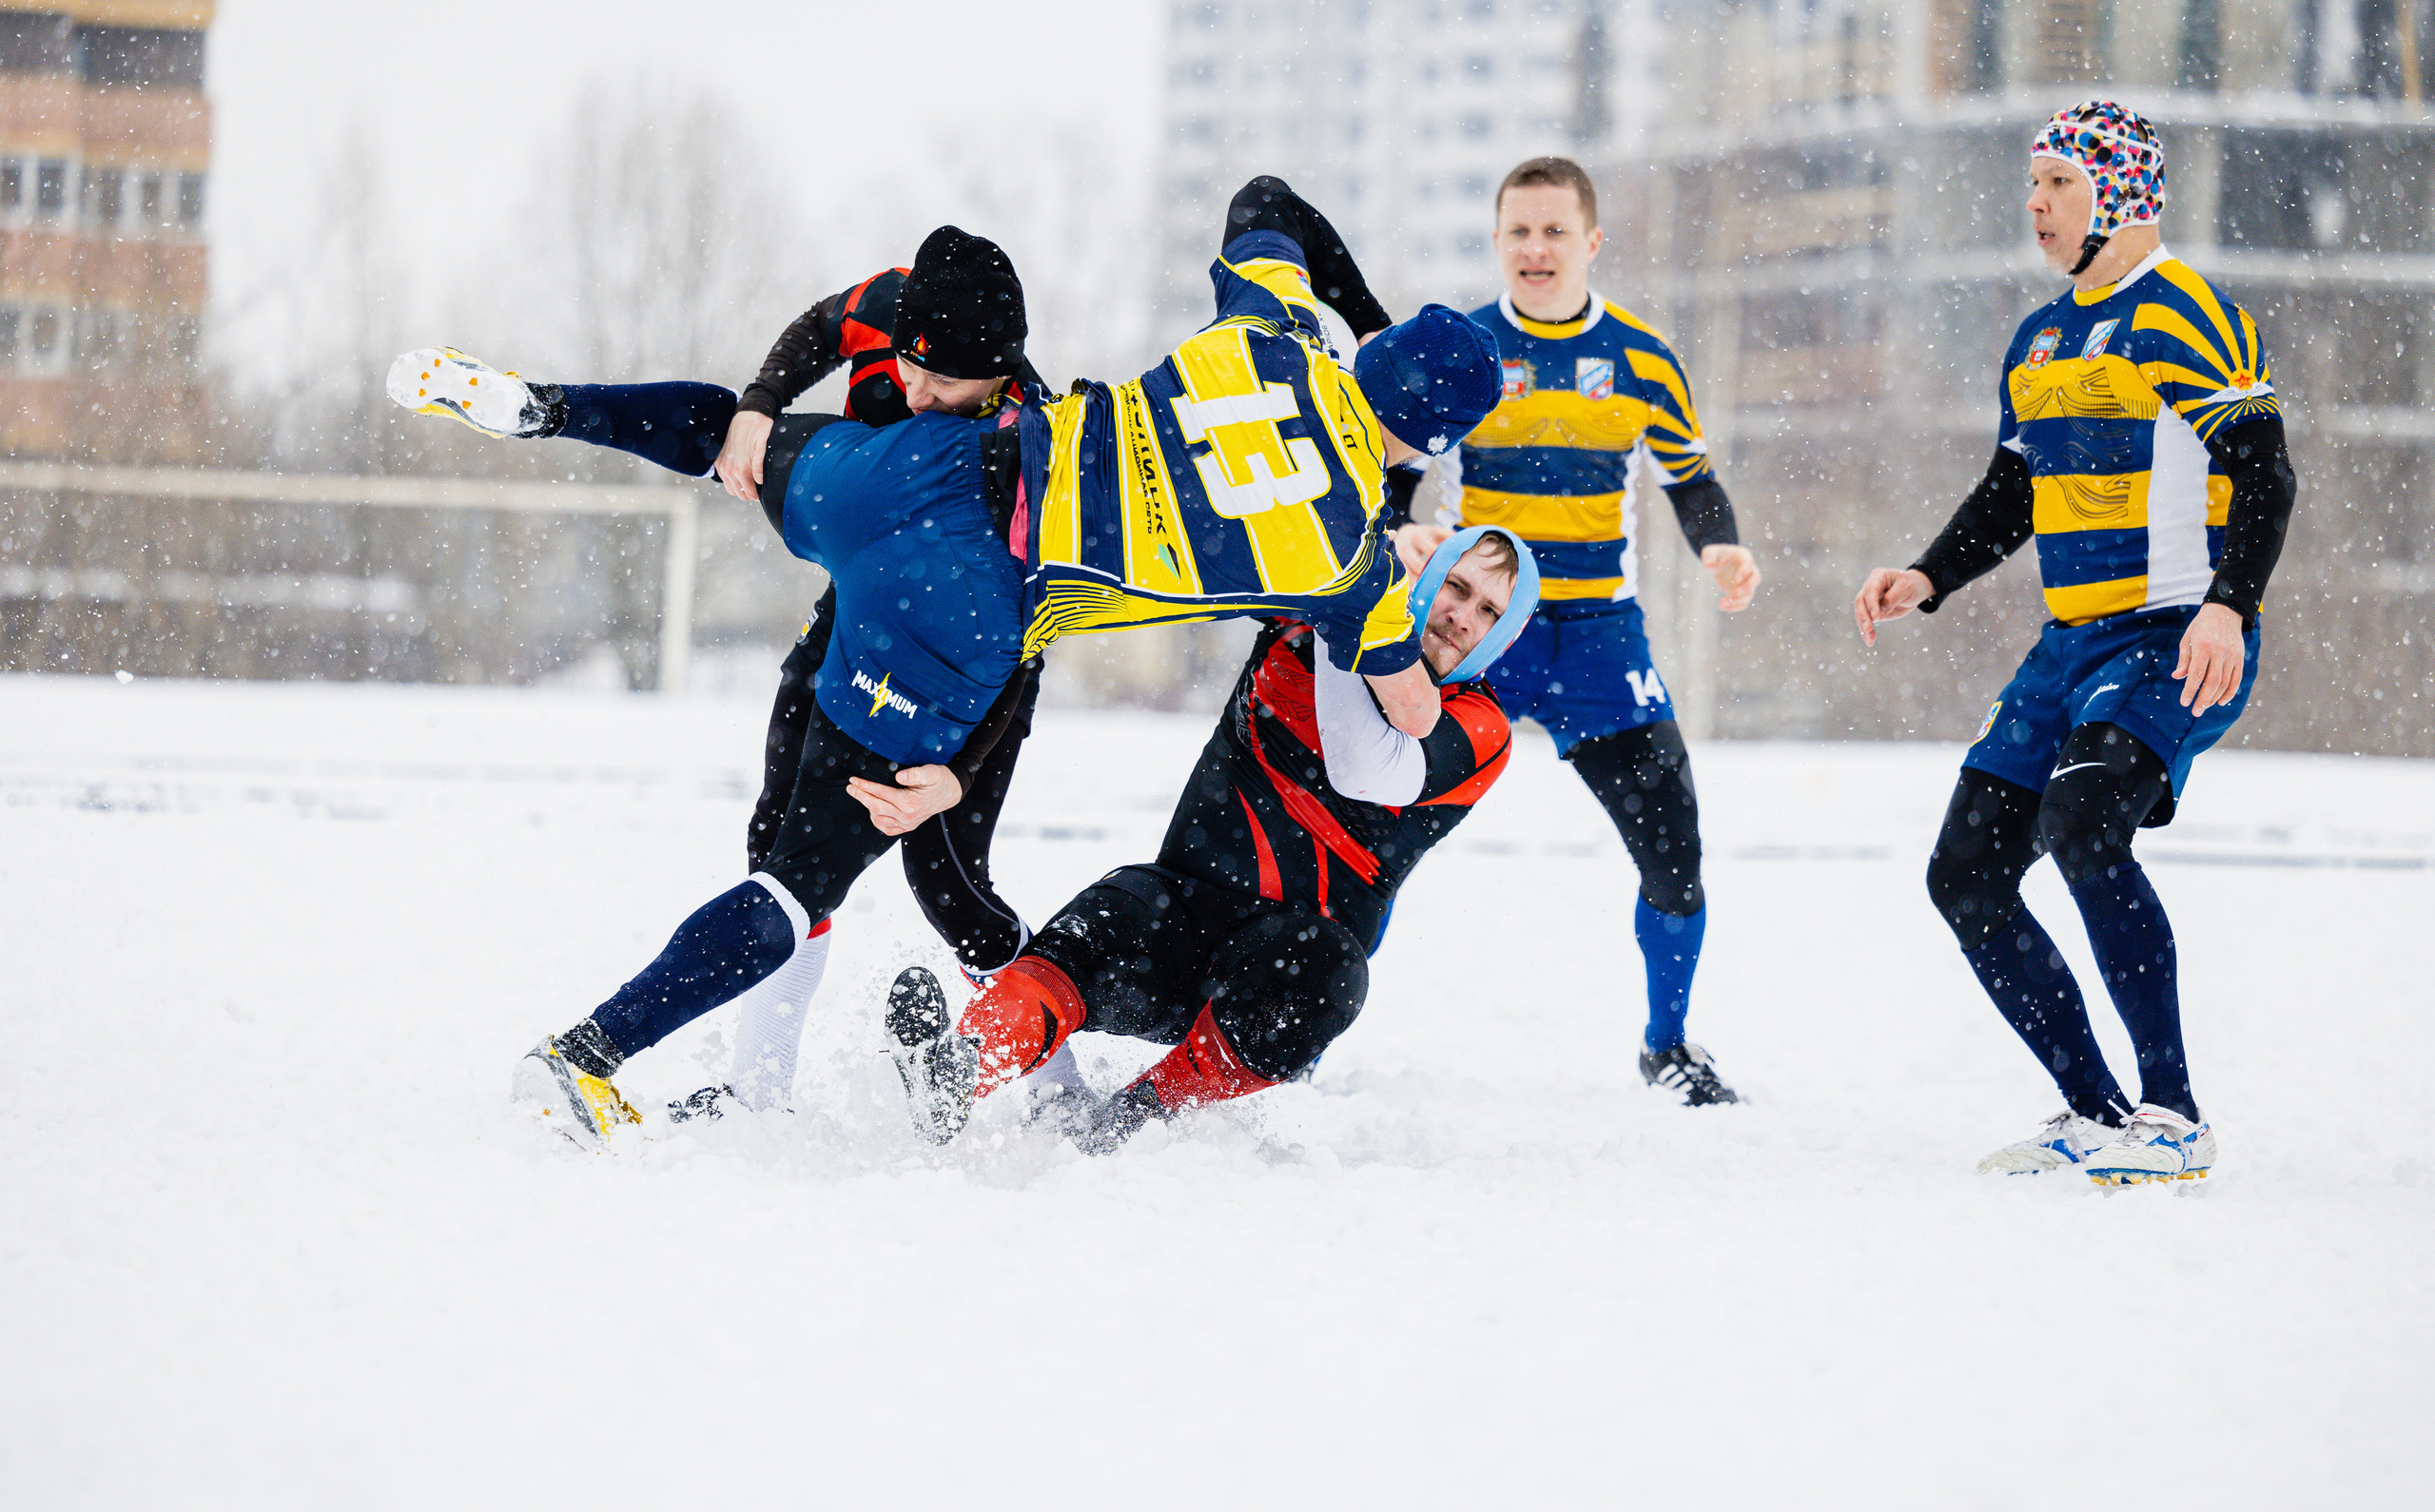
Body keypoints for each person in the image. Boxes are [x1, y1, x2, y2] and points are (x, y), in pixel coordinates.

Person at [399, 179, 1505, 1145]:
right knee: (805, 879)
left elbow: (1264, 202)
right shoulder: (1347, 555)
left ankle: (545, 408)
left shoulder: (1269, 327)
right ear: (1433, 438)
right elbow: (1405, 717)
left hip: (943, 472)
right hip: (972, 617)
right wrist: (1403, 593)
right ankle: (581, 1055)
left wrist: (1352, 318)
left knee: (733, 449)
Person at [389, 239, 1049, 1115]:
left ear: (999, 376)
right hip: (861, 602)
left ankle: (1055, 1089)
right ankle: (758, 1088)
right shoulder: (900, 304)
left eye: (946, 388)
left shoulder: (1034, 446)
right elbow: (820, 327)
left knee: (949, 888)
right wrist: (760, 404)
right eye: (910, 369)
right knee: (780, 844)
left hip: (963, 667)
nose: (919, 395)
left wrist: (956, 777)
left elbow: (1029, 639)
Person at [1853, 101, 2295, 1185]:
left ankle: (2174, 1115)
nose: (2035, 203)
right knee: (1963, 876)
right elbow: (2014, 489)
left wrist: (2228, 607)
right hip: (2067, 646)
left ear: (2121, 193)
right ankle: (2093, 1115)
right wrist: (1929, 574)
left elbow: (2266, 468)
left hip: (2171, 635)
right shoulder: (2038, 337)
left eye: (2058, 182)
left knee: (2087, 825)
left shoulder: (2180, 312)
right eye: (2032, 183)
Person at [886, 525, 1539, 1153]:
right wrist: (1356, 552)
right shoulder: (1302, 611)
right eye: (1457, 587)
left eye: (1488, 611)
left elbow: (1363, 767)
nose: (1462, 615)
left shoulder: (1480, 726)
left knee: (1334, 967)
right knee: (1109, 911)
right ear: (1428, 579)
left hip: (1281, 974)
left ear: (1501, 638)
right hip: (1180, 919)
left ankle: (1136, 1116)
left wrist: (1359, 600)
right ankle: (957, 1072)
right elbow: (1210, 543)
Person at [1394, 155, 1761, 1105]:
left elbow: (1690, 477)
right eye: (1517, 230)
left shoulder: (1640, 356)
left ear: (1591, 242)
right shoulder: (1463, 349)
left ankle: (1668, 1046)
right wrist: (1398, 528)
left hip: (1601, 635)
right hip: (1481, 629)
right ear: (1496, 241)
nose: (1535, 249)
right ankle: (1300, 1025)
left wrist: (1719, 548)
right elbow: (1394, 471)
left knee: (1672, 845)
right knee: (1374, 826)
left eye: (1555, 230)